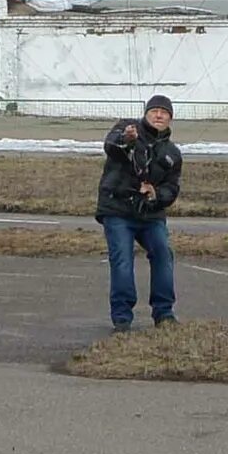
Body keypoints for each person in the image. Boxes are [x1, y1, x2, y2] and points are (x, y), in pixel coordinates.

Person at [95, 93, 183, 331]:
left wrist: (156, 194)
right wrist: (127, 139)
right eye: (154, 111)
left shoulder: (172, 153)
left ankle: (164, 313)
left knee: (163, 252)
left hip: (150, 215)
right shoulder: (127, 128)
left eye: (164, 113)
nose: (158, 115)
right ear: (146, 114)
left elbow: (172, 188)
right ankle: (122, 317)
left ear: (170, 119)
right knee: (122, 259)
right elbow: (111, 146)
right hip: (118, 209)